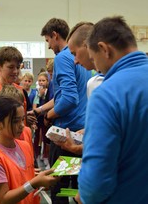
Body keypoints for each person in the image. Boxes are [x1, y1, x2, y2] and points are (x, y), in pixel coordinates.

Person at [76, 16, 148, 204]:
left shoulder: (107, 94)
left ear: (105, 49)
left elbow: (95, 185)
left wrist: (83, 194)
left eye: (94, 60)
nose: (97, 69)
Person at [38, 18, 91, 204]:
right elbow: (63, 95)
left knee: (58, 185)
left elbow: (68, 99)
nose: (49, 46)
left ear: (55, 35)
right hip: (81, 132)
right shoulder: (82, 60)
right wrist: (41, 109)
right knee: (76, 187)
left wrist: (49, 116)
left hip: (65, 135)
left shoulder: (63, 57)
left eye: (48, 41)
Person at [0, 96, 59, 204]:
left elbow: (23, 180)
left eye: (22, 119)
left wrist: (42, 181)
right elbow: (4, 198)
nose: (22, 125)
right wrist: (34, 183)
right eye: (15, 121)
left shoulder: (25, 146)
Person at [55, 22, 104, 154]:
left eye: (75, 53)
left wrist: (48, 114)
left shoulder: (103, 84)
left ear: (87, 45)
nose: (75, 60)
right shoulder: (95, 80)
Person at [0, 46, 36, 140]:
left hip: (21, 146)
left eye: (17, 67)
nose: (15, 71)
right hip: (1, 148)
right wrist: (4, 139)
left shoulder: (21, 91)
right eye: (11, 67)